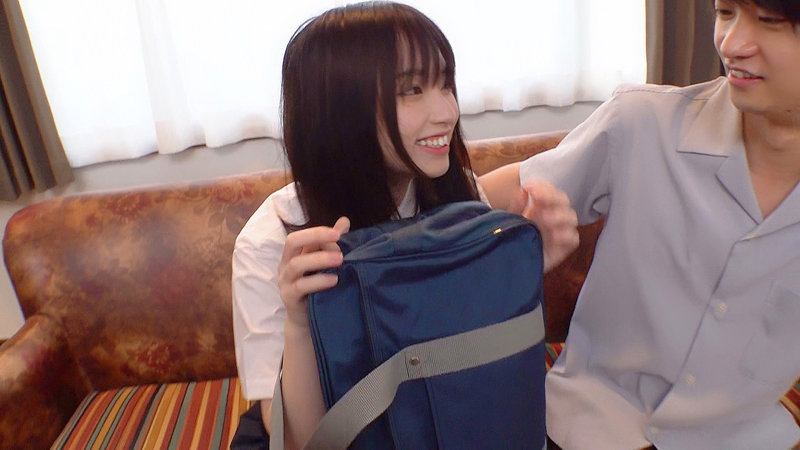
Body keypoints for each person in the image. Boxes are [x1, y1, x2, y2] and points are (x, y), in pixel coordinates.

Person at [230, 2, 579, 448]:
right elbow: (300, 441)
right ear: (340, 107)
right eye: (412, 89)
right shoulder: (272, 242)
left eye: (445, 84)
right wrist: (300, 325)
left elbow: (460, 344)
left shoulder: (459, 191)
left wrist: (520, 267)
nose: (447, 112)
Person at [481, 0, 800, 448]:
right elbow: (489, 194)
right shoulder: (642, 122)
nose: (731, 43)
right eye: (725, 12)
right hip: (587, 426)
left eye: (768, 21)